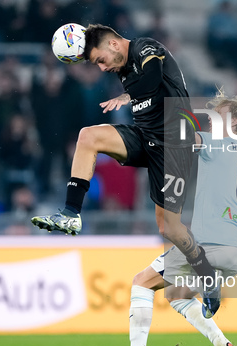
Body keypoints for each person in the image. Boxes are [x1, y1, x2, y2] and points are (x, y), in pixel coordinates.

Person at [31, 24, 222, 316]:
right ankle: (71, 214)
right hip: (145, 137)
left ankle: (208, 275)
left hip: (174, 145)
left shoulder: (146, 47)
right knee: (88, 136)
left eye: (100, 60)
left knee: (168, 227)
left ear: (114, 45)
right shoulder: (119, 66)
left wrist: (126, 96)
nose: (102, 67)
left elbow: (154, 76)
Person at [105, 92, 237, 346]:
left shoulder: (215, 142)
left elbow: (185, 139)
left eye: (220, 114)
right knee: (176, 294)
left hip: (209, 244)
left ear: (236, 120)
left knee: (141, 283)